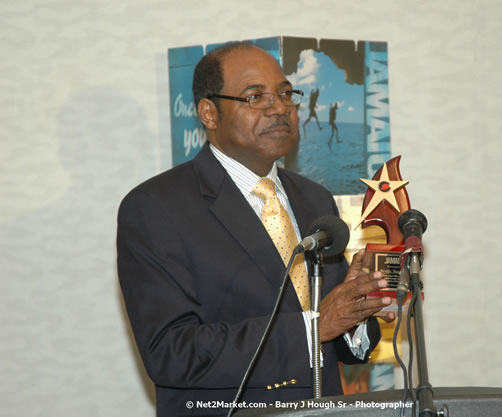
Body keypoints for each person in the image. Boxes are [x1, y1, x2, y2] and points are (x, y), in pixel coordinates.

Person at [117, 42, 395, 417]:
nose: (280, 108)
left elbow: (341, 342)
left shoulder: (315, 200)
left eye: (285, 94)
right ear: (209, 113)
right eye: (255, 97)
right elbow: (171, 352)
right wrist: (314, 327)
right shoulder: (155, 208)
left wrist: (358, 311)